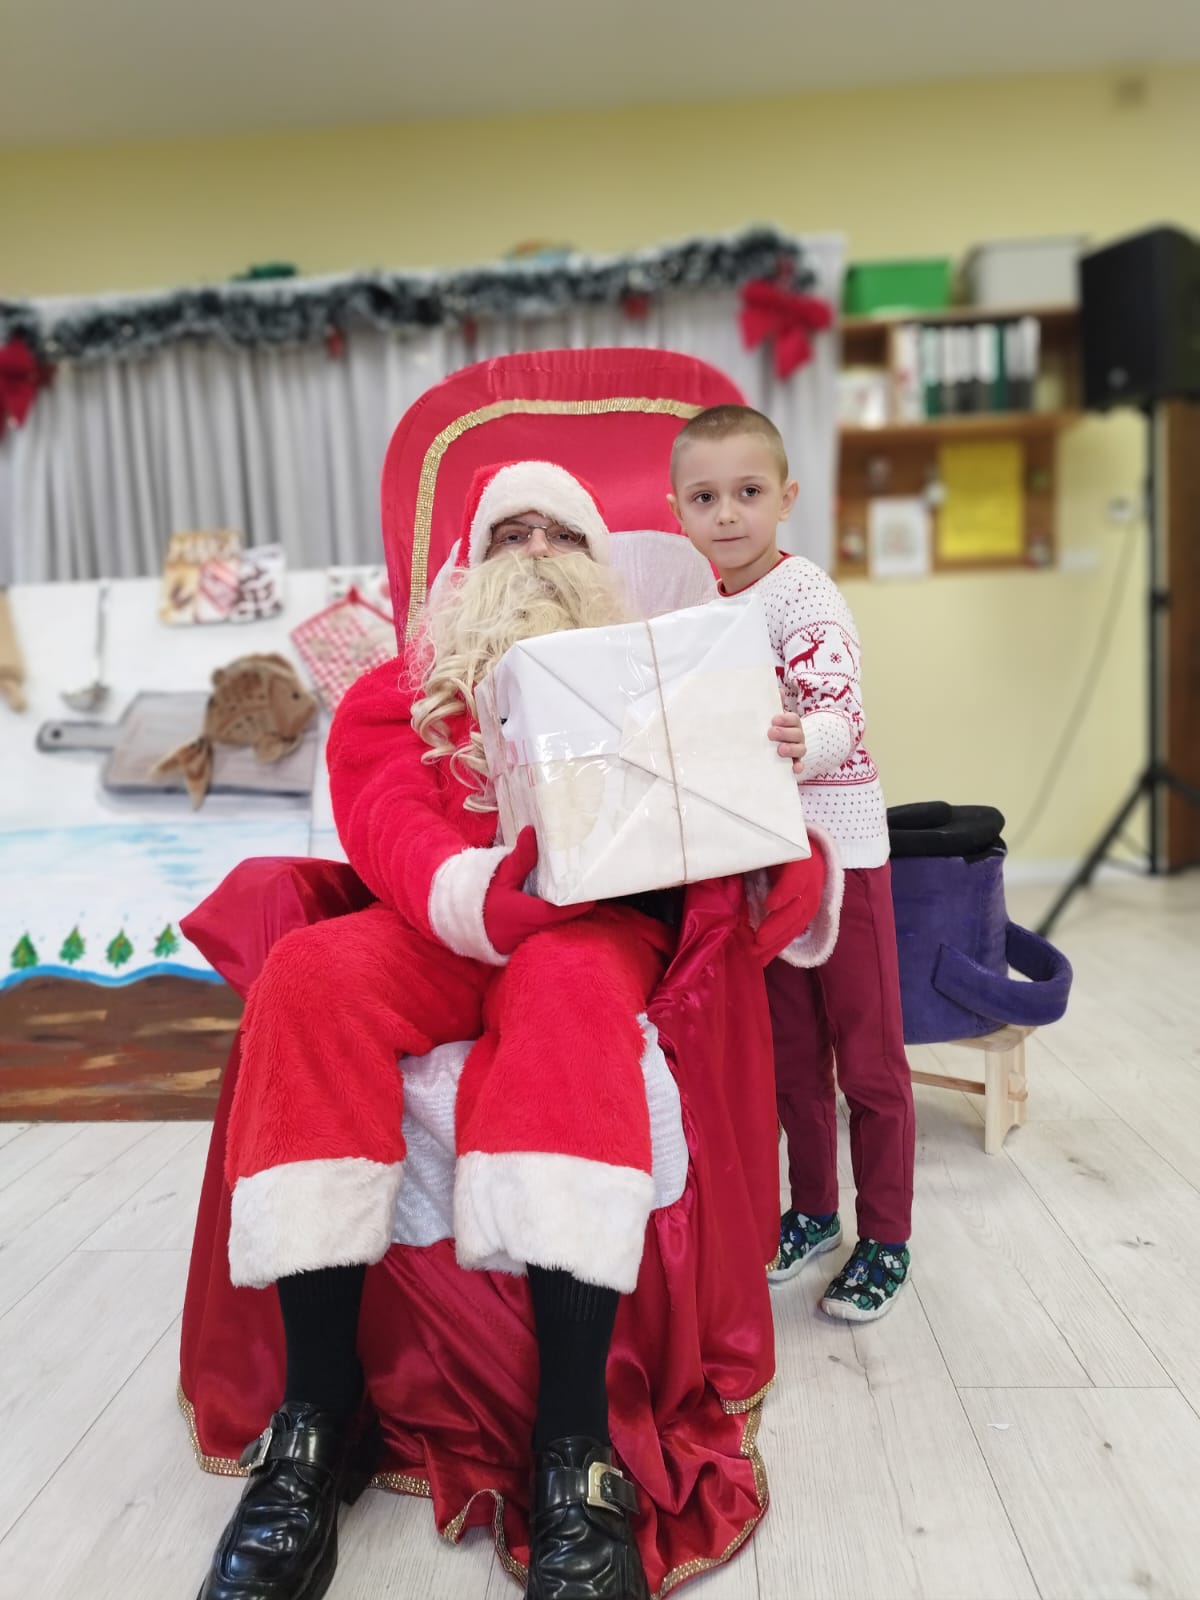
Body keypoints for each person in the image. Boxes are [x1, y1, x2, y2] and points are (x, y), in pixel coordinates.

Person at [196, 458, 830, 1600]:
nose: (536, 551)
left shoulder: (659, 675)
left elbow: (732, 829)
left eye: (562, 534)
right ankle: (315, 1421)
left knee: (567, 997)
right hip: (443, 924)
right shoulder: (401, 690)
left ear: (597, 564)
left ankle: (574, 1440)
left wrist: (768, 797)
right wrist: (476, 895)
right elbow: (386, 819)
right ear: (470, 564)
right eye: (511, 533)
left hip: (594, 931)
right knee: (309, 974)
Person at [669, 407, 916, 1323]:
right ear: (678, 512)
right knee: (791, 1057)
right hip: (765, 867)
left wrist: (806, 738)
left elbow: (840, 710)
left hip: (842, 855)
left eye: (748, 492)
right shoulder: (705, 614)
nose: (728, 513)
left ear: (786, 498)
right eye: (705, 498)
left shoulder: (804, 593)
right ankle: (814, 1211)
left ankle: (886, 1236)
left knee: (869, 1060)